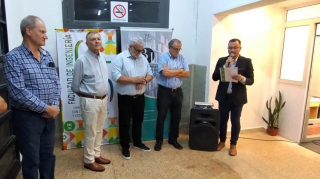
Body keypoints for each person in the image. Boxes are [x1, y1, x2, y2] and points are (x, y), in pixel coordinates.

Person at [3, 15, 61, 179]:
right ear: (28, 31)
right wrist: (45, 108)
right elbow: (17, 91)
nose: (46, 36)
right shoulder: (13, 57)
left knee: (48, 156)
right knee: (32, 159)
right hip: (27, 118)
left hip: (49, 116)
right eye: (42, 31)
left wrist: (54, 106)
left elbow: (56, 83)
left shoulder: (47, 55)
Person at [71, 31, 111, 172]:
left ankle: (96, 154)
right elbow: (75, 86)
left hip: (103, 100)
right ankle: (88, 160)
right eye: (93, 39)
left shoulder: (102, 57)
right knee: (90, 132)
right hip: (90, 101)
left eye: (99, 39)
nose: (97, 41)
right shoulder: (81, 60)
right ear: (87, 43)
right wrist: (88, 98)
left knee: (99, 130)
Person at [111, 37, 153, 160]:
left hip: (140, 97)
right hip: (126, 98)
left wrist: (144, 80)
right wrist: (134, 80)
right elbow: (116, 76)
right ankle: (125, 146)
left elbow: (150, 73)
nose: (140, 52)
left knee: (138, 121)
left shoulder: (143, 58)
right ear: (130, 47)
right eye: (137, 50)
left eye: (141, 50)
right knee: (125, 123)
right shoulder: (120, 58)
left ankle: (137, 142)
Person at [212, 38, 254, 156]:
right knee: (222, 120)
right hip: (224, 96)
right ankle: (222, 141)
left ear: (240, 48)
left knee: (235, 121)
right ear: (227, 48)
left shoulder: (246, 61)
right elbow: (214, 77)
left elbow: (251, 80)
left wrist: (242, 79)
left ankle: (233, 144)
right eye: (230, 47)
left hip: (238, 97)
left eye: (235, 47)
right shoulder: (222, 60)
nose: (232, 50)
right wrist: (225, 67)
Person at [154, 39, 190, 151]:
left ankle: (173, 139)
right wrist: (179, 70)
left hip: (178, 91)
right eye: (175, 49)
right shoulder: (163, 57)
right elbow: (165, 73)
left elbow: (187, 74)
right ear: (169, 47)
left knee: (176, 117)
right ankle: (159, 141)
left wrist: (171, 71)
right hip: (164, 91)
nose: (177, 51)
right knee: (161, 117)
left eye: (179, 49)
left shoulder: (182, 58)